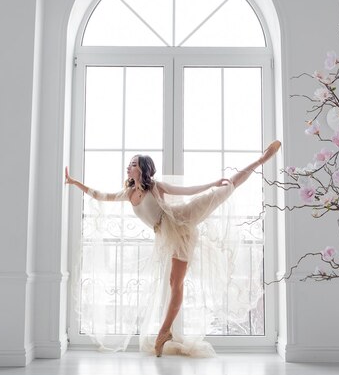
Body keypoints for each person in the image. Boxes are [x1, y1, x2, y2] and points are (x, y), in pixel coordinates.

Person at [65, 140, 281, 357]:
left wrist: (211, 184)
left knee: (227, 188)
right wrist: (74, 182)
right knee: (173, 282)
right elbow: (99, 195)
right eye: (129, 164)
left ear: (142, 168)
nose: (128, 167)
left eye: (132, 164)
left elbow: (186, 190)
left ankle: (261, 159)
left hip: (183, 217)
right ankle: (165, 331)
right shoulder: (128, 193)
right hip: (166, 235)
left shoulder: (155, 187)